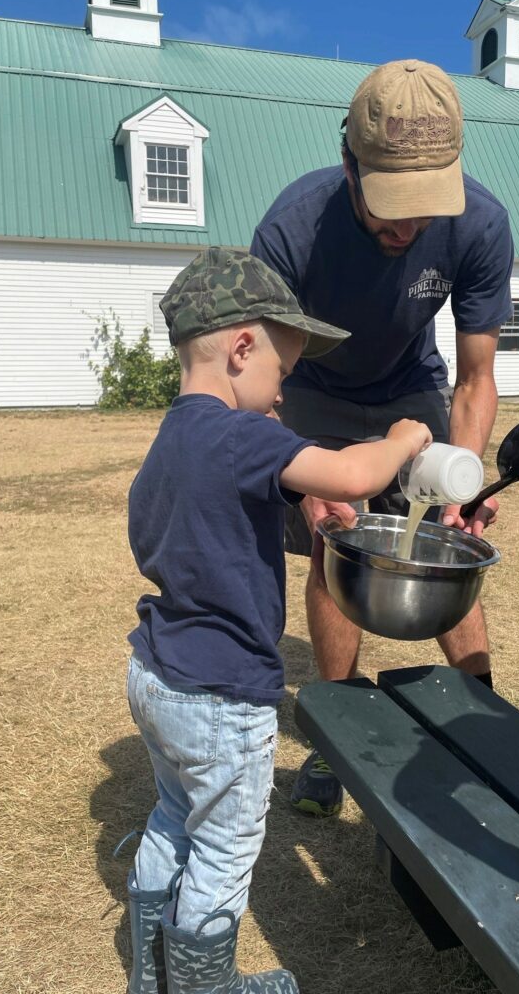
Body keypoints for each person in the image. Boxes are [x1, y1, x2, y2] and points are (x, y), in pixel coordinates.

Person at [123, 246, 432, 994]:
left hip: (159, 676)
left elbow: (179, 519)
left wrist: (297, 496)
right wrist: (406, 437)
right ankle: (206, 986)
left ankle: (152, 972)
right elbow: (356, 475)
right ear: (239, 349)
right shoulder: (242, 434)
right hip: (224, 696)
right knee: (227, 848)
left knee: (174, 813)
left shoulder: (175, 437)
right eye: (281, 375)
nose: (281, 398)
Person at [250, 58, 515, 817]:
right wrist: (304, 481)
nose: (407, 226)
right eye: (391, 205)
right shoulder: (294, 227)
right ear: (349, 162)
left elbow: (474, 379)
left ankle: (485, 727)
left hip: (408, 385)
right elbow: (257, 382)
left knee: (448, 546)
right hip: (312, 389)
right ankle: (337, 734)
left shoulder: (481, 223)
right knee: (340, 545)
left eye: (424, 205)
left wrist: (464, 475)